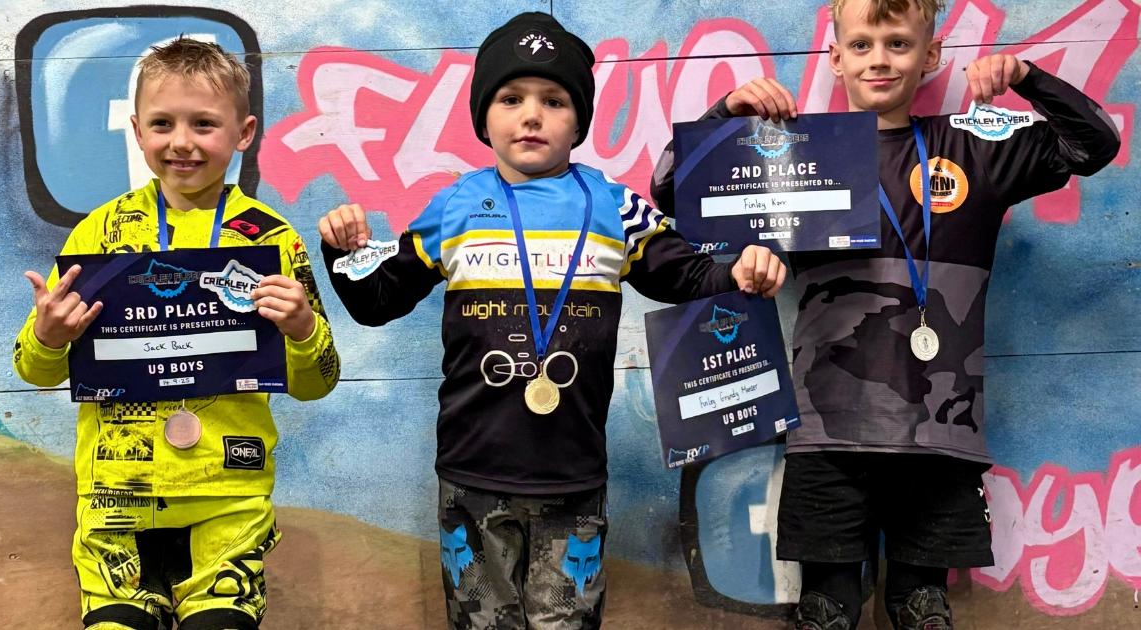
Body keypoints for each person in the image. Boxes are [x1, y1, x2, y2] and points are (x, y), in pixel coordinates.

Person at [650, 1, 1120, 628]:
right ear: (835, 58)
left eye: (898, 43)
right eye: (861, 44)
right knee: (826, 610)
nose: (879, 59)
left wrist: (1027, 77)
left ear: (930, 56)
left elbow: (1095, 143)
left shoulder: (974, 147)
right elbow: (670, 191)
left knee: (921, 610)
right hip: (825, 431)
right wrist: (727, 115)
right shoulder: (794, 149)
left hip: (942, 428)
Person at [318, 11, 786, 629]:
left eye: (554, 100)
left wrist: (742, 270)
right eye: (511, 98)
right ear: (484, 117)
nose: (532, 116)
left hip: (573, 476)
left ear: (579, 121)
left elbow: (690, 277)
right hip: (471, 473)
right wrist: (342, 253)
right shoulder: (454, 205)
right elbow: (378, 301)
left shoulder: (616, 207)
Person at [13, 37, 340, 630]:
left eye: (203, 124)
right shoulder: (99, 235)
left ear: (244, 133)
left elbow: (319, 382)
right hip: (117, 504)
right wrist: (49, 336)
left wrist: (302, 328)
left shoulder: (272, 240)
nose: (181, 142)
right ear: (137, 131)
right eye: (162, 123)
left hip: (228, 500)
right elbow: (33, 370)